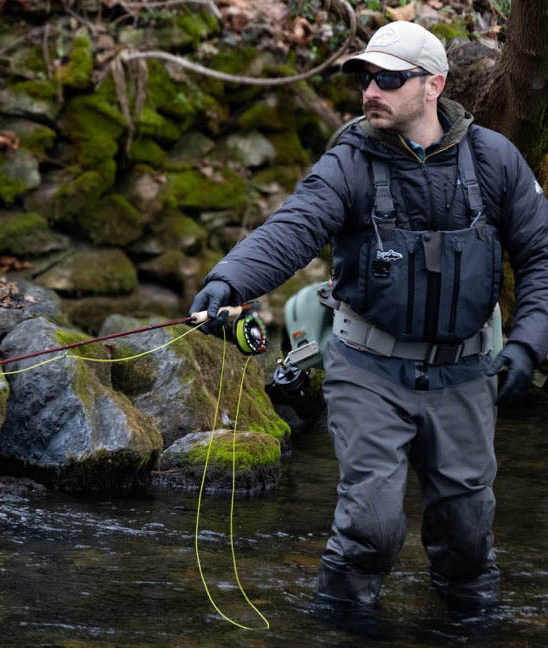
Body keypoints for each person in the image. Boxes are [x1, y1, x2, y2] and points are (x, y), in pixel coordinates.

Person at [189, 20, 548, 610]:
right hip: (368, 369)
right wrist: (228, 280)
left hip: (466, 371)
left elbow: (539, 256)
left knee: (467, 540)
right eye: (365, 77)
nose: (370, 91)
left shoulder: (494, 160)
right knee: (372, 532)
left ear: (434, 86)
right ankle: (341, 623)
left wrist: (528, 344)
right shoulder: (350, 160)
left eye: (388, 78)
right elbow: (293, 228)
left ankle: (468, 625)